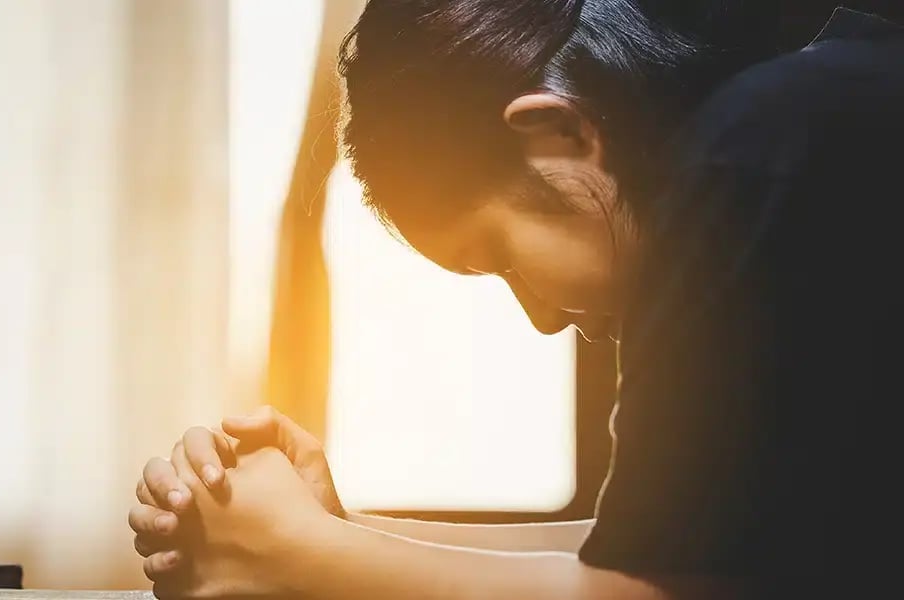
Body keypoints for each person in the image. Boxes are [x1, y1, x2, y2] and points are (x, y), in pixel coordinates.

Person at [128, 1, 904, 597]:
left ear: (557, 134)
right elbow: (680, 554)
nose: (540, 318)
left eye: (500, 258)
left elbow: (650, 594)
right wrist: (336, 534)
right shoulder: (819, 118)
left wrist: (294, 554)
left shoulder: (773, 146)